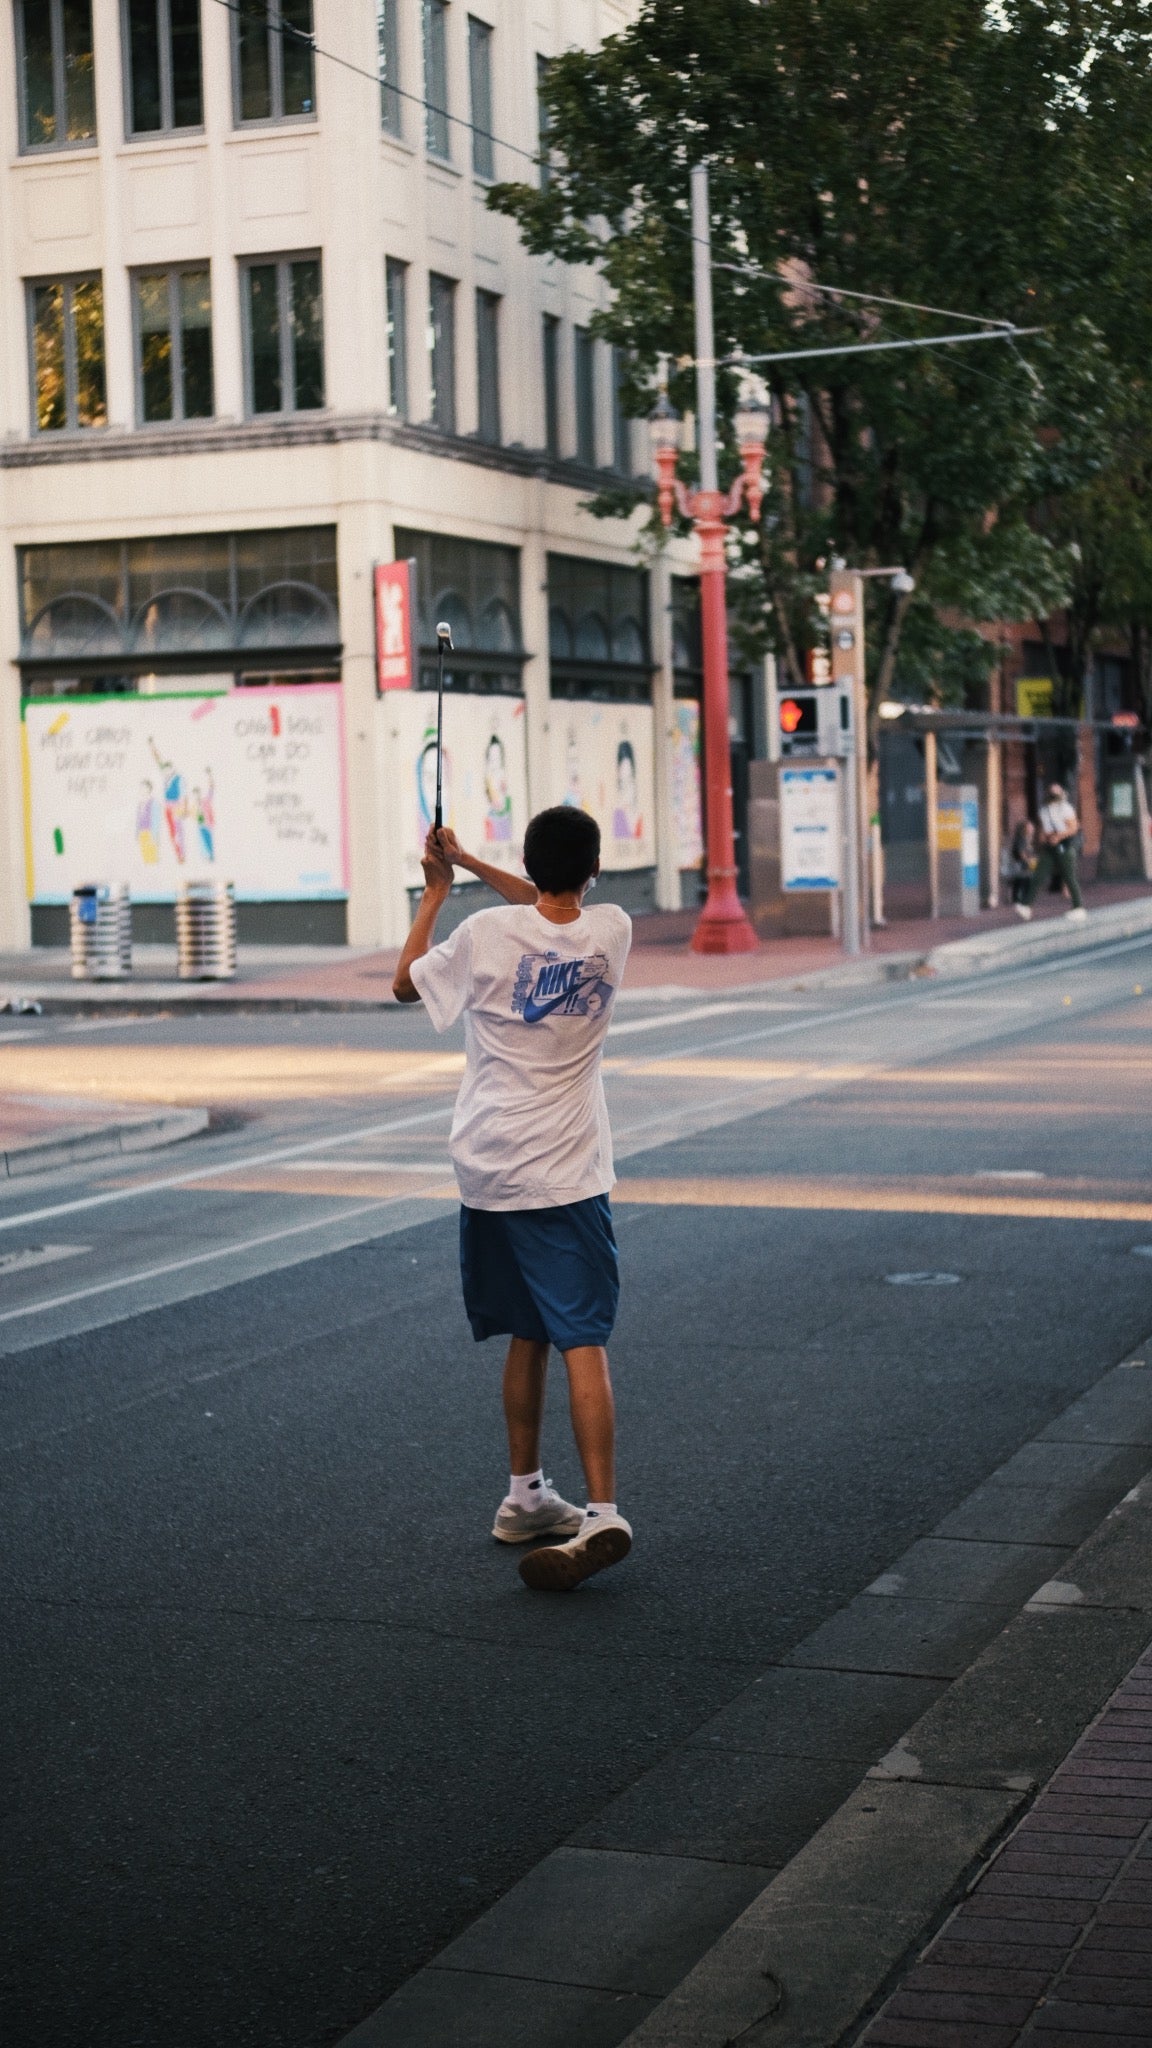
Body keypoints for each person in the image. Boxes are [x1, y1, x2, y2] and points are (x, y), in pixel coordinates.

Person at [392, 806, 633, 1592]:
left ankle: (525, 1496)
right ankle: (600, 1511)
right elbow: (547, 895)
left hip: (490, 1170)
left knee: (527, 1333)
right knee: (584, 1337)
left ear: (531, 863)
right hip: (565, 1174)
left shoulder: (486, 938)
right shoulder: (612, 931)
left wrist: (437, 888)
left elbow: (405, 984)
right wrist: (468, 862)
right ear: (594, 872)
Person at [1015, 782, 1087, 922]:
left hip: (1064, 846)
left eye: (1057, 792)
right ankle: (1026, 905)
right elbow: (1043, 829)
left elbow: (1073, 827)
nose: (1054, 795)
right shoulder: (1044, 810)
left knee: (1069, 876)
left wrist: (1058, 836)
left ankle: (1078, 907)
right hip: (1050, 846)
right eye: (1052, 792)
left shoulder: (1066, 809)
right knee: (1039, 875)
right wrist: (1044, 840)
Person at [1003, 816, 1036, 906]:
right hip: (1021, 865)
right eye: (1029, 827)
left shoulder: (1027, 838)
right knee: (1023, 882)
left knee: (1022, 882)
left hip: (1024, 865)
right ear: (1024, 828)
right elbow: (1021, 852)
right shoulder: (1021, 839)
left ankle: (1019, 900)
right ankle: (1019, 900)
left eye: (1032, 827)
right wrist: (1029, 860)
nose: (1032, 829)